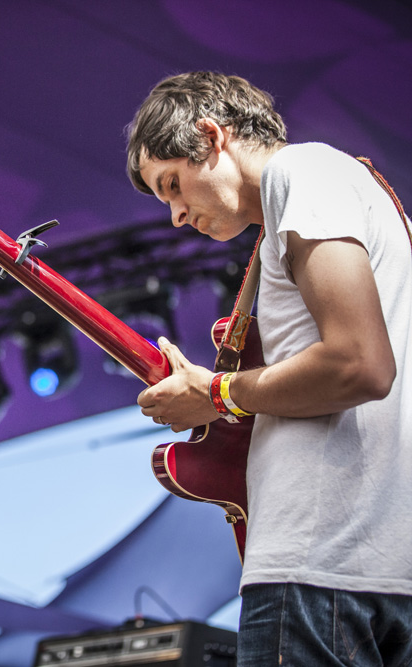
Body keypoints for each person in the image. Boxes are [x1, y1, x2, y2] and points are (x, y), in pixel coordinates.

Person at [126, 72, 412, 664]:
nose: (176, 214)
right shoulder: (337, 189)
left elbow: (359, 365)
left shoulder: (302, 172)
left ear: (212, 135)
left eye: (173, 184)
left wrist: (218, 393)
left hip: (320, 566)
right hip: (378, 567)